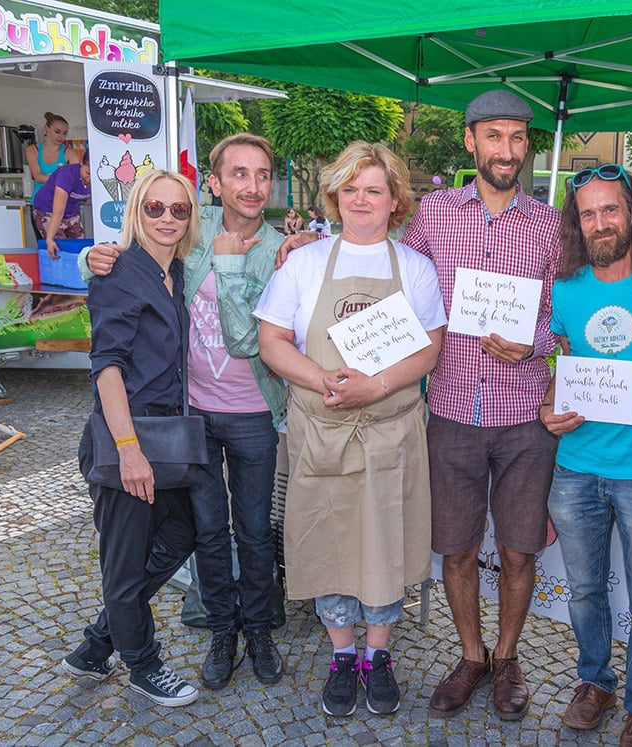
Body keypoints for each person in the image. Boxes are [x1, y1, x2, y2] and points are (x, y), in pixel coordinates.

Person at [83, 134, 312, 691]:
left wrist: (292, 247)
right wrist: (97, 258)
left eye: (262, 175)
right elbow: (137, 260)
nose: (252, 186)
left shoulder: (288, 251)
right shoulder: (191, 229)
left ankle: (259, 630)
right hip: (193, 417)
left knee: (255, 531)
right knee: (209, 533)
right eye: (238, 173)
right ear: (216, 183)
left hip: (255, 411)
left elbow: (247, 340)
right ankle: (222, 633)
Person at [255, 141, 446, 717]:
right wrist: (323, 380)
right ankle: (342, 655)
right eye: (351, 189)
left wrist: (376, 387)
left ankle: (378, 656)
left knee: (385, 545)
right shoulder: (306, 263)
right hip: (323, 433)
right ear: (334, 198)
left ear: (395, 200)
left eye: (375, 190)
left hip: (391, 435)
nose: (362, 200)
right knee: (332, 544)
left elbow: (430, 349)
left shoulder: (413, 267)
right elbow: (271, 342)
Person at [401, 89, 561, 722]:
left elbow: (561, 316)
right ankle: (470, 656)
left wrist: (536, 343)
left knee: (520, 551)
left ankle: (507, 655)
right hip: (452, 411)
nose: (507, 150)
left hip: (524, 417)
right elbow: (393, 277)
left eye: (518, 138)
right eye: (494, 136)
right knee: (459, 548)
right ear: (470, 141)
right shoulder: (433, 214)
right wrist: (304, 250)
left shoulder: (549, 224)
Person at [540, 164, 632, 746]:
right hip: (576, 467)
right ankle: (594, 681)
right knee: (586, 591)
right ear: (578, 223)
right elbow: (564, 368)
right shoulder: (566, 290)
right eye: (588, 213)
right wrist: (549, 408)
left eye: (611, 209)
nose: (600, 222)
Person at [62, 168, 202, 707]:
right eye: (155, 208)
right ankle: (143, 665)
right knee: (124, 563)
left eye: (179, 210)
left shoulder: (178, 272)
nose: (167, 218)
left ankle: (98, 644)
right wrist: (128, 451)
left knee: (180, 537)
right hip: (126, 435)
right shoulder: (119, 272)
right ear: (135, 212)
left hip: (165, 433)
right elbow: (107, 367)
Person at [33, 151, 91, 258]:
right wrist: (49, 238)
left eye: (94, 175)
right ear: (81, 163)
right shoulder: (66, 174)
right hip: (48, 210)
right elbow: (58, 212)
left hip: (71, 213)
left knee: (80, 251)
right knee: (58, 247)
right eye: (88, 173)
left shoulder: (100, 178)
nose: (90, 178)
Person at [25, 111, 80, 199]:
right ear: (46, 128)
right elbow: (37, 176)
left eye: (64, 133)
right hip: (40, 202)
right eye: (57, 131)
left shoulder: (70, 153)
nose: (61, 136)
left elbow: (75, 180)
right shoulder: (32, 150)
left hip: (64, 203)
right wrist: (62, 180)